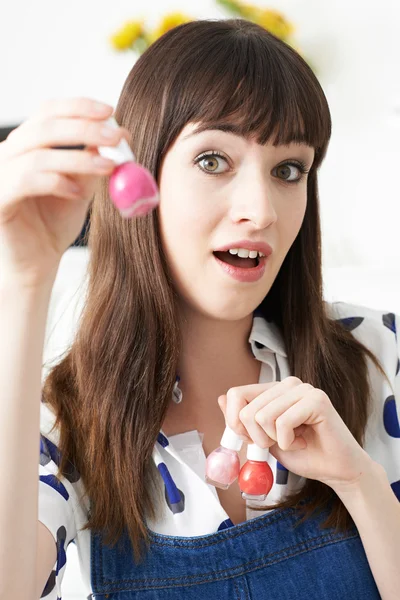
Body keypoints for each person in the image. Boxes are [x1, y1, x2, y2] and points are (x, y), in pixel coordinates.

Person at [0, 17, 399, 600]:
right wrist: (25, 280)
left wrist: (359, 481)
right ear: (139, 178)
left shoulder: (377, 353)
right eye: (213, 160)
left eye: (289, 170)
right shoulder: (57, 428)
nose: (260, 210)